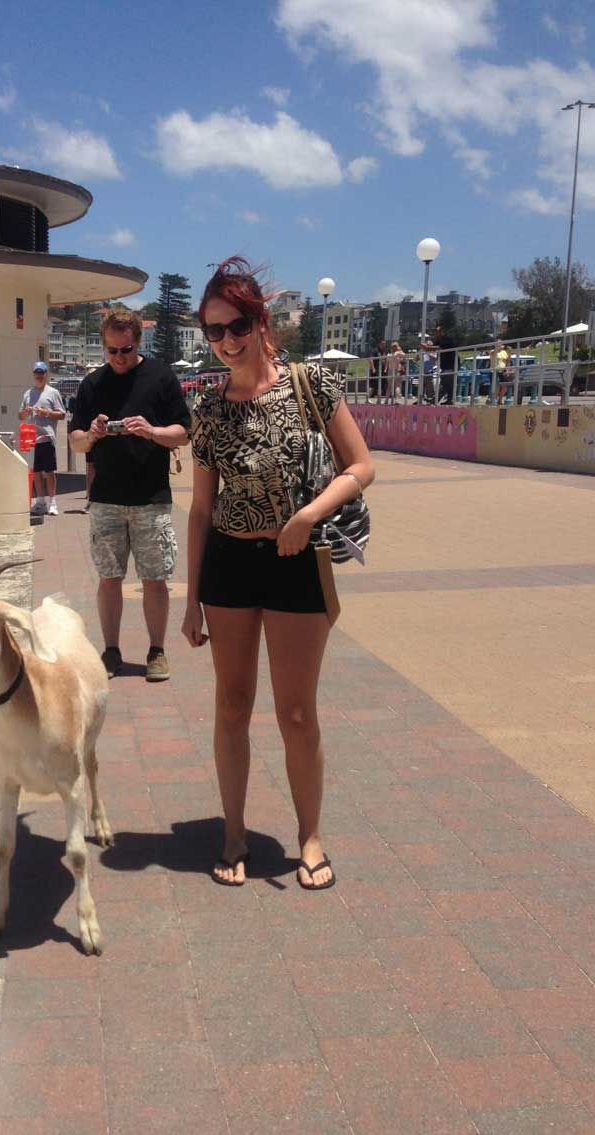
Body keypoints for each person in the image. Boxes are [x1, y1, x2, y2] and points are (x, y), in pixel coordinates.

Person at [181, 258, 374, 889]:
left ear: (261, 322)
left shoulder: (309, 383)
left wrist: (308, 515)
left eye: (236, 325)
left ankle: (309, 836)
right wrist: (190, 600)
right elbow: (202, 508)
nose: (226, 341)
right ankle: (234, 832)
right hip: (230, 566)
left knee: (296, 713)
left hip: (297, 563)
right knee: (233, 705)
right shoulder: (208, 409)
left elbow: (361, 466)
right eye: (212, 331)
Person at [69, 308, 191, 682]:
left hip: (151, 498)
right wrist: (92, 434)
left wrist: (152, 431)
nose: (119, 358)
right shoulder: (92, 385)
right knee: (109, 578)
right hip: (106, 498)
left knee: (155, 578)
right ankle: (111, 650)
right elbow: (75, 442)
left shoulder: (160, 376)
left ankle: (157, 651)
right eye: (111, 351)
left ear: (138, 342)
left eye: (125, 349)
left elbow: (183, 433)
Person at [19, 361, 65, 515]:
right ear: (33, 374)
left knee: (49, 471)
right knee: (36, 471)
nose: (39, 375)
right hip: (31, 438)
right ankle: (40, 502)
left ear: (46, 374)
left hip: (47, 437)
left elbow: (62, 414)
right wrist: (25, 412)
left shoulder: (53, 392)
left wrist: (46, 413)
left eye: (42, 372)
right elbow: (20, 415)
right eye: (37, 372)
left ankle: (53, 502)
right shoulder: (28, 393)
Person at [432, 324, 456, 404]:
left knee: (446, 383)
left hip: (451, 365)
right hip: (445, 365)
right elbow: (433, 346)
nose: (435, 333)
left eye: (437, 331)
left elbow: (438, 348)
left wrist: (427, 347)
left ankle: (437, 400)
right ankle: (445, 400)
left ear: (442, 332)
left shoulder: (447, 340)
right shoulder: (438, 340)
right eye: (434, 331)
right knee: (445, 383)